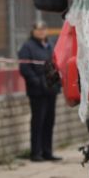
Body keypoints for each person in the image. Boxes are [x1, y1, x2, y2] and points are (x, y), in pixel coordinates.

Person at [18, 21, 61, 162]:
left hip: (51, 90)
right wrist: (38, 82)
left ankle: (47, 151)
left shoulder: (50, 46)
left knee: (49, 121)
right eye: (39, 29)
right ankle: (36, 152)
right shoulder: (27, 47)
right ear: (33, 31)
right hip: (37, 92)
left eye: (44, 28)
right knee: (38, 121)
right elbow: (25, 69)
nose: (42, 31)